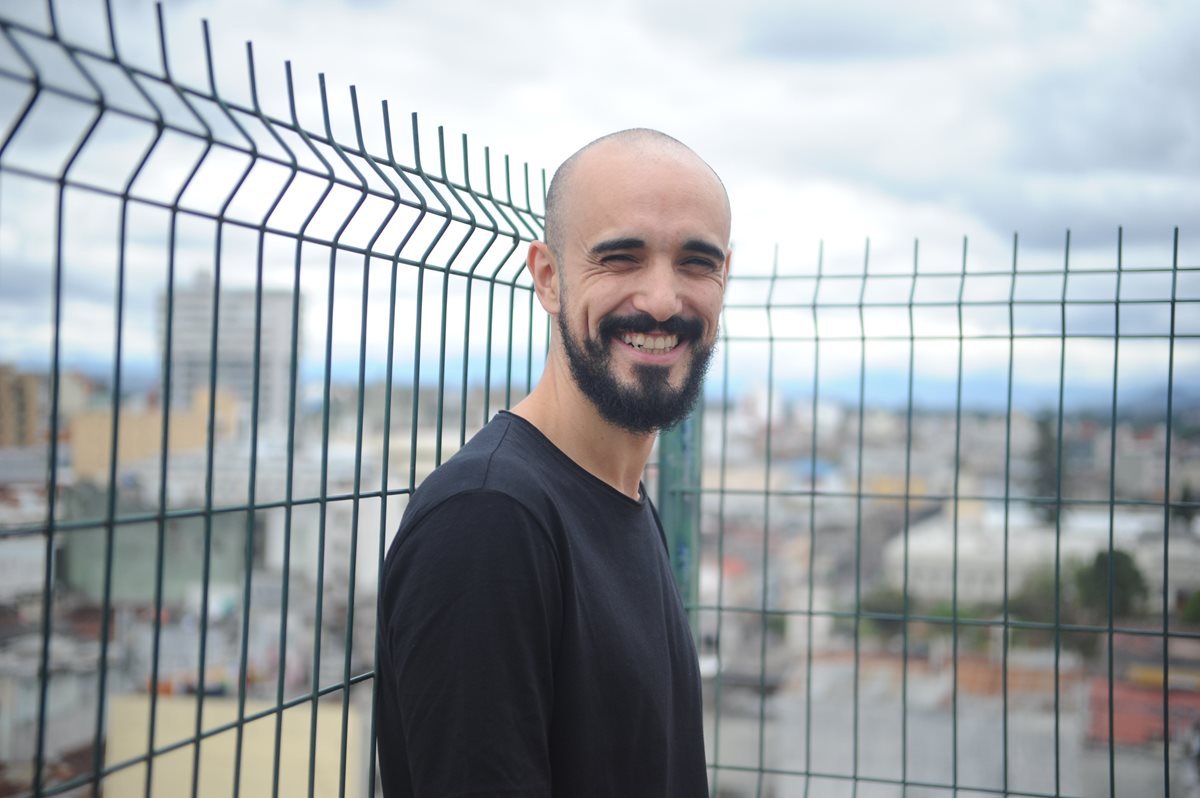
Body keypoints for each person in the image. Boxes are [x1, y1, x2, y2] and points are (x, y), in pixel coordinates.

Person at [375, 128, 731, 797]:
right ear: (548, 277)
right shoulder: (489, 522)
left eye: (695, 263)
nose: (661, 300)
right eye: (621, 258)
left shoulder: (615, 493)